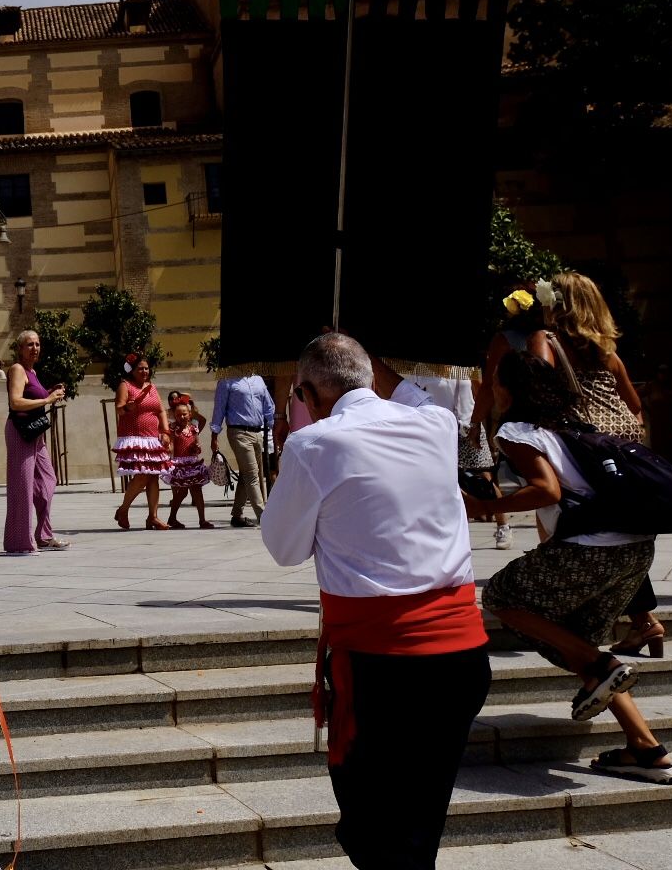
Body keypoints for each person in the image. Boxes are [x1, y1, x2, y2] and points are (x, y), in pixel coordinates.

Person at [261, 334, 491, 868]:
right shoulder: (436, 425)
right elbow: (403, 391)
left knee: (373, 832)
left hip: (382, 666)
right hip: (460, 658)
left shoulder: (313, 445)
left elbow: (284, 548)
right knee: (418, 827)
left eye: (300, 395)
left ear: (310, 392)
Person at [473, 350, 672, 785]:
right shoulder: (573, 422)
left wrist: (487, 507)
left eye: (494, 383)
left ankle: (600, 668)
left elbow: (545, 491)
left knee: (500, 595)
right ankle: (646, 748)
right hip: (636, 550)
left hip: (592, 549)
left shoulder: (515, 430)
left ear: (506, 389)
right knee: (574, 643)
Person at [548, 271, 662, 654]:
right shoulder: (607, 353)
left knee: (586, 536)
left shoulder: (555, 348)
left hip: (586, 456)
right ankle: (643, 625)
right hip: (621, 455)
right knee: (619, 534)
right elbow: (634, 404)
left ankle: (634, 623)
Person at [470, 286, 559, 551]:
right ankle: (551, 548)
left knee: (541, 492)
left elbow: (488, 385)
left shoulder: (505, 339)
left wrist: (476, 422)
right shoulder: (558, 337)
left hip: (520, 422)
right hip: (556, 418)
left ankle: (550, 550)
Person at [4, 330, 68, 553]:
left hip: (36, 434)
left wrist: (52, 392)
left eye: (37, 344)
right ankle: (20, 542)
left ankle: (43, 534)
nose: (35, 348)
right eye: (29, 344)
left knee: (48, 481)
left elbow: (34, 399)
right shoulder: (17, 369)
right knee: (22, 487)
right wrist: (47, 399)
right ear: (20, 349)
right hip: (21, 432)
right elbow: (15, 402)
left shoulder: (33, 371)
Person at [112, 354, 169, 530]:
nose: (144, 371)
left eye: (146, 368)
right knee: (143, 473)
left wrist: (165, 432)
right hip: (134, 437)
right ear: (132, 370)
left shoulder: (152, 387)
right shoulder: (125, 385)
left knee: (153, 477)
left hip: (152, 438)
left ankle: (153, 516)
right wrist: (130, 406)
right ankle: (123, 509)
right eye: (140, 368)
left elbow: (160, 411)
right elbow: (120, 410)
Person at [210, 372, 274, 527]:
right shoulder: (226, 380)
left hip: (258, 432)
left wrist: (272, 423)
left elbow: (268, 404)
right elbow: (219, 407)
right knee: (253, 475)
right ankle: (263, 516)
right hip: (238, 432)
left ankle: (237, 515)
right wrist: (214, 434)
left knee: (247, 474)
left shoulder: (258, 379)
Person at [164, 391, 212, 529]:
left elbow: (197, 447)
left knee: (197, 490)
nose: (182, 416)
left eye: (185, 414)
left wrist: (196, 448)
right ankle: (172, 517)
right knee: (182, 492)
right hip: (180, 464)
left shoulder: (193, 429)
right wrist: (168, 450)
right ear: (175, 416)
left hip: (193, 463)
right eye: (178, 415)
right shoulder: (173, 429)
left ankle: (202, 520)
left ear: (190, 415)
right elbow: (171, 444)